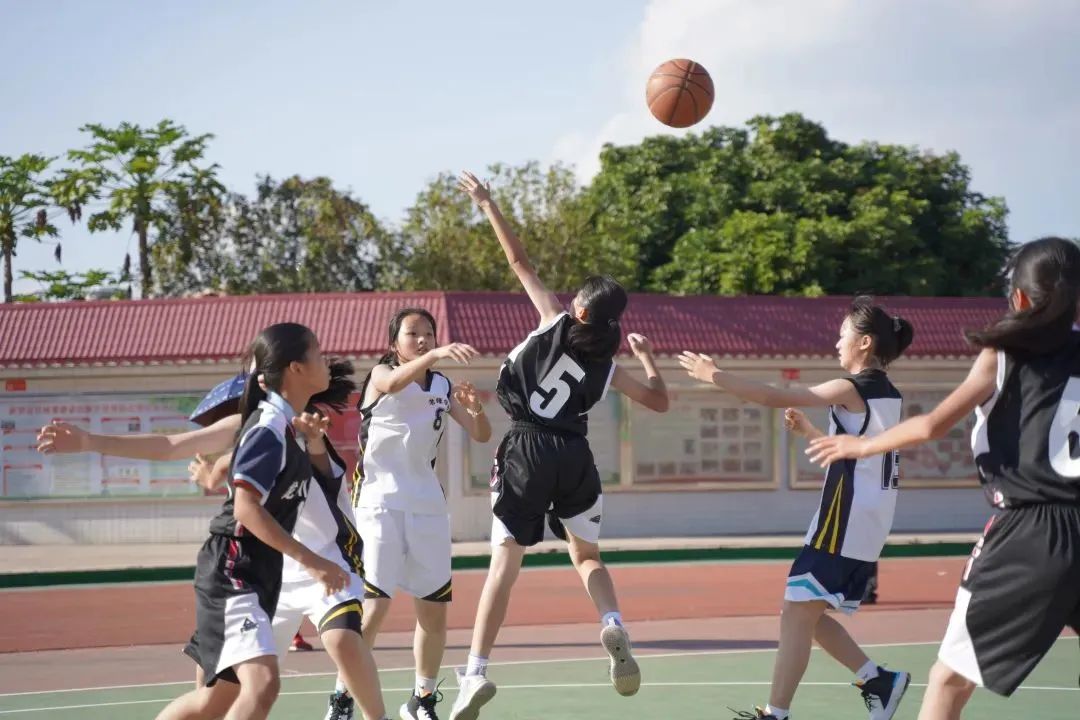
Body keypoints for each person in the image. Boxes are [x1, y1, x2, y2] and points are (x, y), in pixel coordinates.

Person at [807, 237, 1080, 720]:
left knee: (949, 681)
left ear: (1017, 298)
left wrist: (860, 444)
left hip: (1030, 531)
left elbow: (932, 425)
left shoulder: (1004, 353)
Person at [39, 357, 390, 720]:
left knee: (337, 639)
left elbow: (315, 473)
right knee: (215, 697)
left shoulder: (300, 425)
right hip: (263, 567)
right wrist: (89, 441)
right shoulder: (254, 425)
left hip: (322, 558)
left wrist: (311, 443)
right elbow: (172, 445)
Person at [449, 171, 670, 720]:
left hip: (526, 448)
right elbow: (659, 402)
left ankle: (475, 672)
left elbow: (518, 261)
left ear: (578, 310)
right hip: (574, 455)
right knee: (586, 555)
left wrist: (487, 202)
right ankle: (613, 624)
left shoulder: (552, 319)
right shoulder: (609, 364)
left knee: (505, 563)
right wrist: (645, 355)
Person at [679, 297, 914, 720]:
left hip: (844, 520)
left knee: (795, 612)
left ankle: (777, 713)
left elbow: (776, 395)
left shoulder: (851, 387)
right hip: (867, 520)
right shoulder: (889, 395)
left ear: (863, 342)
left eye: (842, 334)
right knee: (806, 613)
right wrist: (809, 429)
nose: (836, 342)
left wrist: (713, 374)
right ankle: (877, 679)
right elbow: (860, 452)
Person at [323, 307, 492, 720]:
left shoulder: (441, 385)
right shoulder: (380, 377)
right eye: (413, 333)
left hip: (428, 507)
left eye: (429, 333)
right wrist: (435, 355)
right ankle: (343, 698)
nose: (422, 339)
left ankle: (422, 699)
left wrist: (474, 409)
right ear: (393, 342)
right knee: (374, 607)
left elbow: (482, 435)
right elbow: (397, 381)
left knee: (434, 610)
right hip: (378, 502)